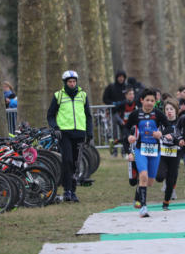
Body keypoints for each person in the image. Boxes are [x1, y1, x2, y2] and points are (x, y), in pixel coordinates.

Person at [47, 70, 93, 203]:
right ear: (65, 83)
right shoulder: (58, 96)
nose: (72, 84)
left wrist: (89, 133)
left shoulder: (83, 95)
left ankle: (73, 191)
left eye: (74, 81)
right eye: (70, 82)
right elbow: (50, 115)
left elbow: (88, 116)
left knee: (75, 163)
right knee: (67, 161)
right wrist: (55, 127)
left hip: (79, 133)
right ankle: (67, 190)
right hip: (64, 133)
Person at [125, 88, 171, 217]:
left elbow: (169, 127)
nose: (150, 103)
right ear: (142, 101)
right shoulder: (136, 114)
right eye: (147, 100)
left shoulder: (158, 114)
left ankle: (138, 192)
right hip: (141, 149)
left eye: (152, 100)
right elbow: (126, 128)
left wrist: (161, 133)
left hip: (154, 150)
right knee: (143, 176)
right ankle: (143, 208)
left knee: (150, 182)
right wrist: (129, 137)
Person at [155, 99, 182, 210]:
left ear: (176, 111)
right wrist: (161, 136)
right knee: (160, 177)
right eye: (167, 109)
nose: (169, 111)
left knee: (171, 178)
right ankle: (163, 173)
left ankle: (166, 203)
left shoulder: (180, 122)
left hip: (175, 153)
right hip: (163, 152)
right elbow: (156, 133)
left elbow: (182, 136)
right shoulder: (161, 122)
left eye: (171, 109)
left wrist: (175, 138)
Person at [103, 70, 127, 157]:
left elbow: (131, 98)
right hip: (114, 113)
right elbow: (105, 99)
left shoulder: (127, 87)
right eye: (119, 77)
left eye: (122, 77)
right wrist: (113, 103)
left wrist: (124, 102)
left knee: (124, 133)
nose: (121, 78)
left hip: (125, 113)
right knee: (114, 133)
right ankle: (114, 152)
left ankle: (124, 151)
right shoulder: (111, 87)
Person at [113, 88, 137, 158]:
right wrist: (120, 121)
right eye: (130, 94)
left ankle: (116, 142)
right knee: (125, 138)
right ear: (126, 96)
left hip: (133, 125)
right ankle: (124, 153)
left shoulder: (136, 103)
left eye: (133, 94)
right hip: (124, 125)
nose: (132, 96)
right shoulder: (122, 104)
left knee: (132, 138)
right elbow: (115, 113)